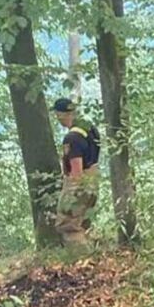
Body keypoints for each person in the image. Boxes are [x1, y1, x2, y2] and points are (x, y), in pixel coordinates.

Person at [51, 97, 101, 246]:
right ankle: (92, 256)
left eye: (58, 114)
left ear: (62, 114)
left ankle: (80, 260)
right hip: (93, 180)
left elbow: (76, 170)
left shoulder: (71, 138)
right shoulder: (91, 129)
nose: (57, 118)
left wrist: (72, 193)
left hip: (79, 182)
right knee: (83, 223)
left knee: (68, 224)